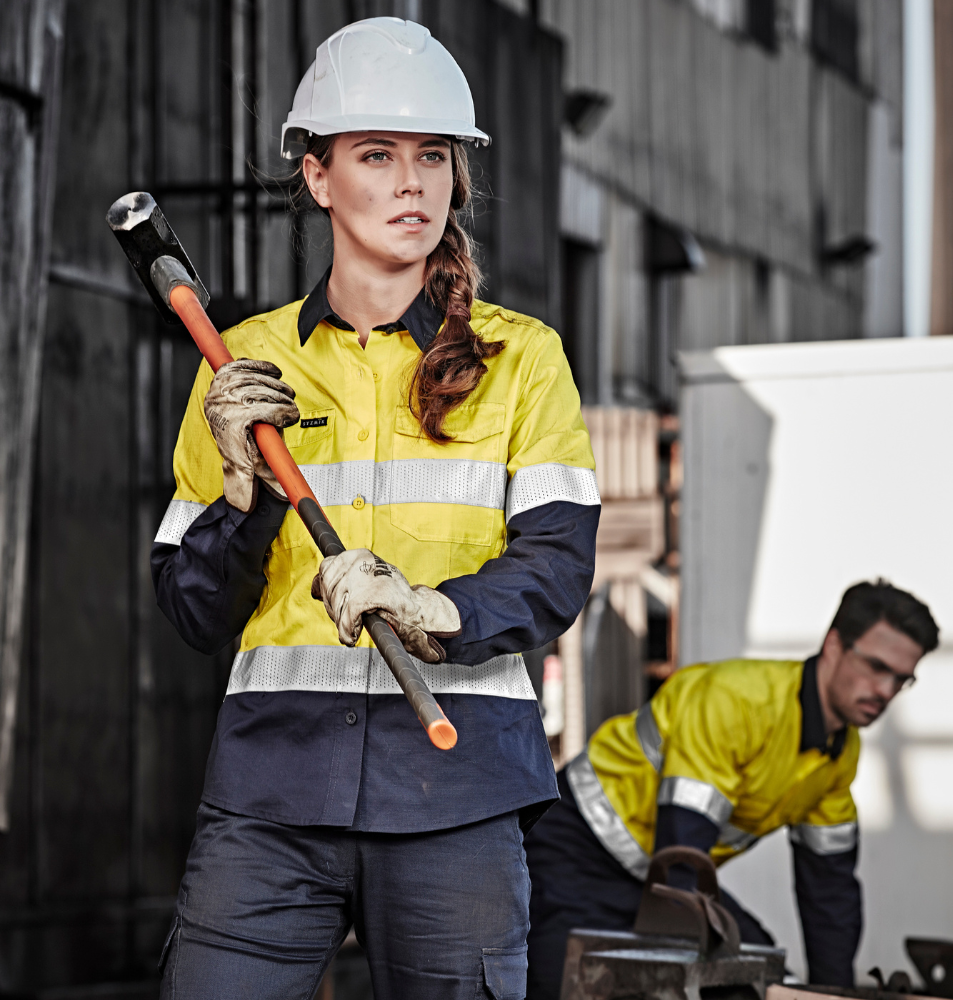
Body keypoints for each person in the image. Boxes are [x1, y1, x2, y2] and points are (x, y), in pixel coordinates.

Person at [150, 17, 600, 1000]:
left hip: (460, 791)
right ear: (317, 176)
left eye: (432, 155)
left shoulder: (523, 358)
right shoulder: (241, 362)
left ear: (458, 175)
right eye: (376, 154)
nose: (411, 181)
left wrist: (436, 608)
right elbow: (192, 610)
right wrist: (239, 491)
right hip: (271, 795)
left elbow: (558, 565)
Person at [525, 580, 939, 998]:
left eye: (902, 679)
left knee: (764, 976)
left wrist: (832, 993)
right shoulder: (736, 701)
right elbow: (681, 859)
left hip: (657, 874)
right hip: (573, 850)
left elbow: (829, 895)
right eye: (877, 667)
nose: (886, 691)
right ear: (833, 645)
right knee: (565, 984)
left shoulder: (839, 753)